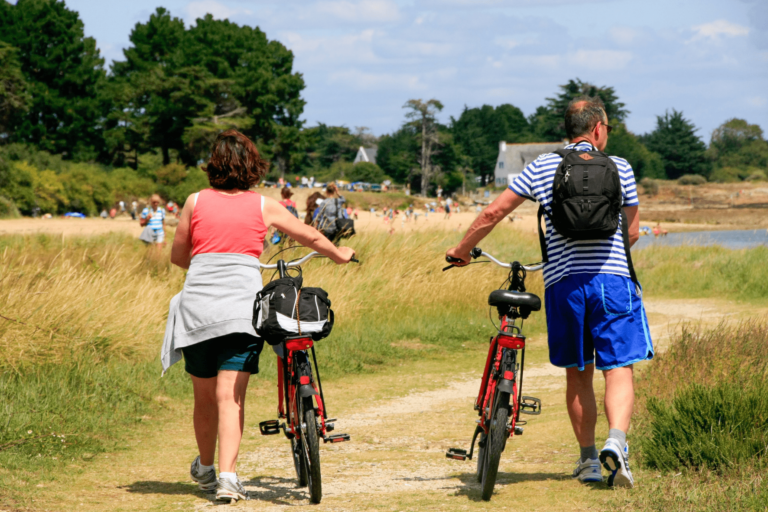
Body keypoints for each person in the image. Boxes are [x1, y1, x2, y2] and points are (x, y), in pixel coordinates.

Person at [446, 97, 652, 489]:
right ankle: (617, 442)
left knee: (578, 374)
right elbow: (633, 231)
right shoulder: (620, 167)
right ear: (596, 128)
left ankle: (589, 460)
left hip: (564, 282)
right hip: (613, 281)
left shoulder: (542, 166)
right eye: (607, 128)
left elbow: (493, 213)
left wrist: (460, 250)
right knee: (619, 368)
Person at [163, 130, 354, 502]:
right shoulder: (262, 206)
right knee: (229, 398)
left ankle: (205, 469)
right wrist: (338, 254)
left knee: (204, 398)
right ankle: (228, 478)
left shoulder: (194, 201)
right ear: (253, 165)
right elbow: (310, 237)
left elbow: (178, 257)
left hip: (197, 309)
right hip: (240, 312)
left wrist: (208, 262)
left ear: (213, 165)